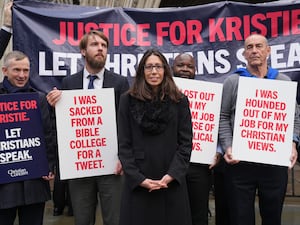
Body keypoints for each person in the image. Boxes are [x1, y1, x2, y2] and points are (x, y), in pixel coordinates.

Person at [46, 30, 129, 225]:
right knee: (82, 219)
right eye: (94, 45)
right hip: (80, 166)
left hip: (112, 166)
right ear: (83, 51)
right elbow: (62, 124)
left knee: (114, 219)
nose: (100, 48)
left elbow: (127, 123)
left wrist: (125, 157)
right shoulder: (68, 83)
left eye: (104, 45)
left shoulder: (119, 82)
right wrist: (53, 104)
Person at [219, 34, 300, 225]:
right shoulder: (232, 82)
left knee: (272, 218)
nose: (254, 50)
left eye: (259, 46)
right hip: (239, 163)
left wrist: (293, 143)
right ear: (244, 53)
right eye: (249, 47)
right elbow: (222, 117)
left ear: (268, 51)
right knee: (240, 218)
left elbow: (294, 117)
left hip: (274, 164)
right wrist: (228, 146)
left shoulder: (284, 82)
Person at [117, 49, 193, 225]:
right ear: (142, 71)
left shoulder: (179, 100)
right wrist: (139, 179)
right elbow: (124, 144)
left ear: (165, 70)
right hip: (139, 183)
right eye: (149, 67)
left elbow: (186, 143)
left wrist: (172, 174)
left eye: (158, 67)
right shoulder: (127, 100)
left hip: (171, 182)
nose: (153, 72)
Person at [0, 50, 56, 225]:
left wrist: (50, 166)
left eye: (26, 70)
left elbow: (48, 135)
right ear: (4, 71)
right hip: (4, 186)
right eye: (16, 70)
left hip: (34, 184)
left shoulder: (39, 99)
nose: (22, 75)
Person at [172, 53, 212, 225]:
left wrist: (216, 151)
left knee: (199, 214)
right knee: (172, 213)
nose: (185, 69)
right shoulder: (162, 92)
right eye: (181, 65)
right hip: (170, 165)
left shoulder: (208, 95)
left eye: (190, 66)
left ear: (195, 70)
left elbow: (216, 124)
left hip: (199, 166)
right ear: (172, 68)